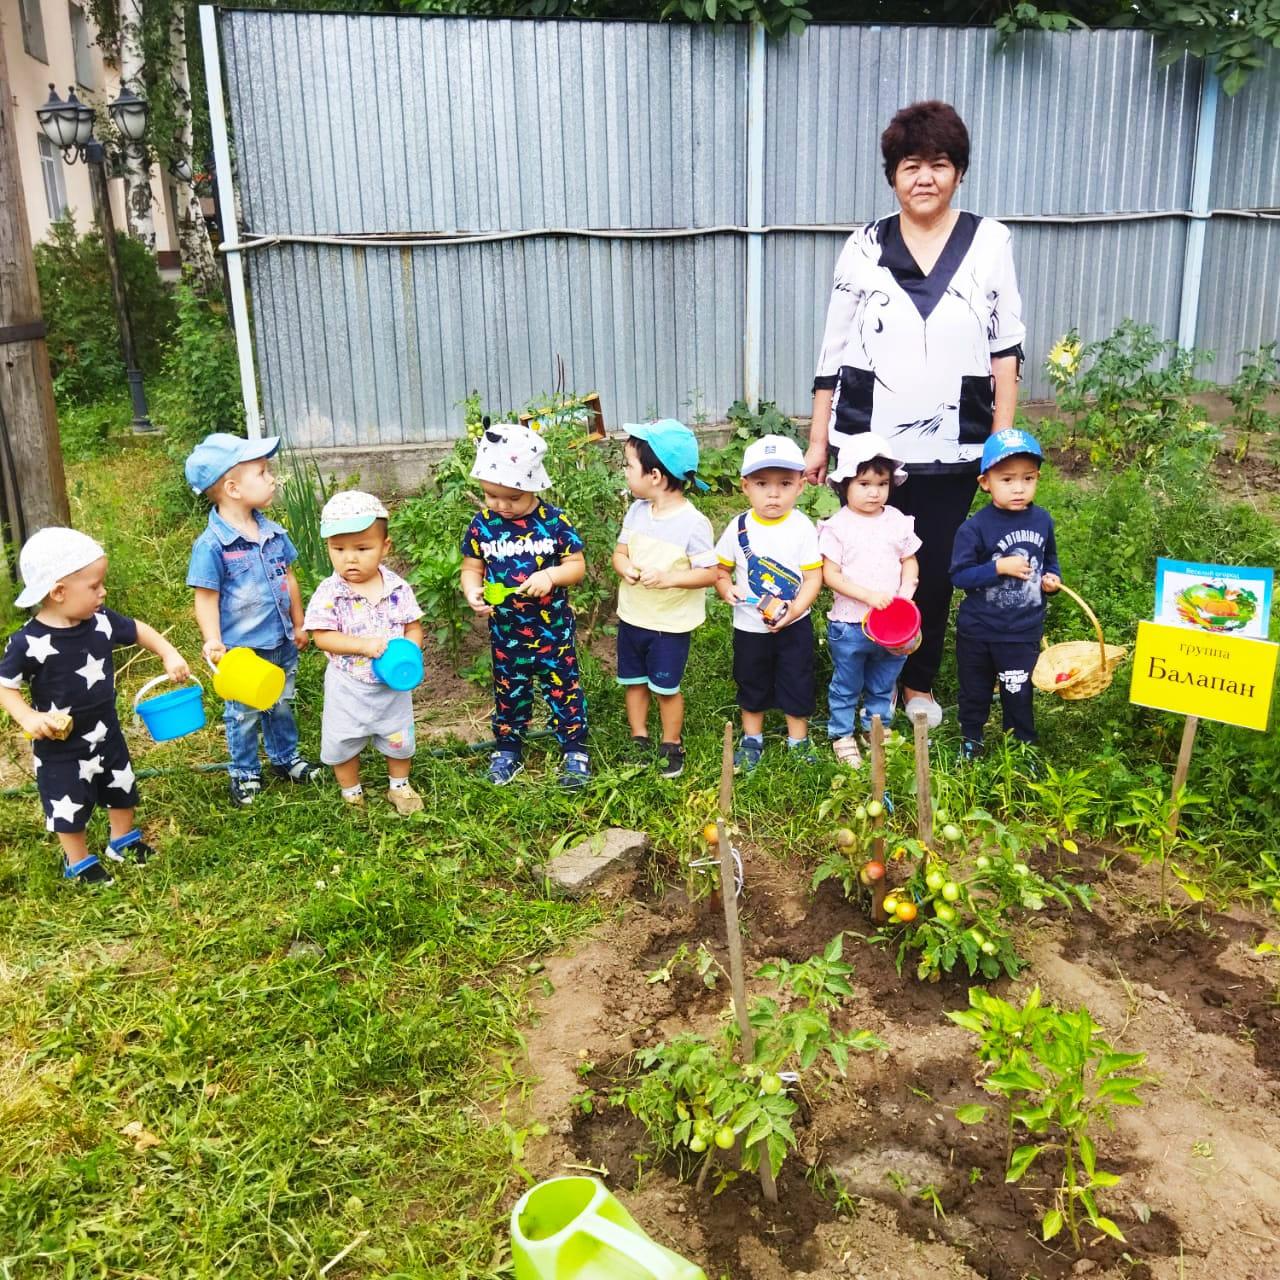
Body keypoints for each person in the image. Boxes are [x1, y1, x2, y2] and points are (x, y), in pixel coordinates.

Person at [804, 100, 1025, 730]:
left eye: (939, 164)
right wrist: (818, 437)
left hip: (957, 438)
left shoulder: (990, 241)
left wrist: (1001, 443)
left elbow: (1006, 346)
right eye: (910, 165)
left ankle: (915, 682)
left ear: (959, 172)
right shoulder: (864, 244)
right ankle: (857, 671)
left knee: (931, 567)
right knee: (862, 554)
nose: (924, 177)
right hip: (868, 440)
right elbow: (833, 346)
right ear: (893, 175)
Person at [0, 528, 191, 885]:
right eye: (94, 586)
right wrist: (27, 715)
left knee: (121, 785)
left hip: (106, 731)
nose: (103, 592)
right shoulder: (28, 641)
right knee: (67, 802)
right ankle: (78, 860)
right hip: (60, 744)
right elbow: (5, 686)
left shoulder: (101, 621)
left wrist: (169, 653)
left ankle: (122, 840)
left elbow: (139, 630)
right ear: (58, 592)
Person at [186, 432, 320, 806]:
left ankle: (285, 758)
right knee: (243, 713)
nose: (271, 479)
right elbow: (206, 597)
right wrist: (213, 639)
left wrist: (299, 622)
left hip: (280, 640)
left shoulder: (273, 533)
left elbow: (288, 577)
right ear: (233, 488)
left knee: (280, 702)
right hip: (243, 652)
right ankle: (244, 772)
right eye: (261, 473)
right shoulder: (212, 545)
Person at [460, 423, 590, 789]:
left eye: (512, 498)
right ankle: (507, 748)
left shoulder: (554, 522)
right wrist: (472, 590)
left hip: (553, 632)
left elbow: (576, 566)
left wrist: (551, 576)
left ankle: (574, 748)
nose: (501, 505)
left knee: (563, 688)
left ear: (533, 486)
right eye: (491, 495)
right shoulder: (483, 525)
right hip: (507, 633)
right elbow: (471, 567)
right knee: (509, 691)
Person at [304, 491, 425, 814]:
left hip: (391, 688)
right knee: (343, 740)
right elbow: (322, 637)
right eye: (338, 549)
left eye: (362, 549)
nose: (350, 559)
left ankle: (399, 786)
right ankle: (351, 791)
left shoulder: (397, 588)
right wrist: (362, 646)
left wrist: (411, 651)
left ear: (385, 547)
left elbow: (413, 627)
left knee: (399, 738)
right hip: (348, 685)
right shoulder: (330, 592)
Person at [612, 419, 718, 779]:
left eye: (629, 465)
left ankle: (671, 742)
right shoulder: (637, 512)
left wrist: (669, 577)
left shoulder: (693, 523)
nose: (625, 472)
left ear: (655, 476)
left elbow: (710, 573)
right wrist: (625, 567)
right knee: (634, 681)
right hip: (633, 616)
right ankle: (638, 736)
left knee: (665, 687)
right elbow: (619, 553)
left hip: (669, 626)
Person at [714, 434, 823, 772]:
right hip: (750, 625)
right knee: (751, 677)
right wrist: (725, 588)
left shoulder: (802, 527)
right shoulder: (738, 527)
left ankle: (798, 740)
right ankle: (752, 738)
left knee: (798, 677)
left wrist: (795, 611)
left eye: (785, 484)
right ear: (745, 486)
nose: (773, 494)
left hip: (795, 624)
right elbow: (721, 571)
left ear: (800, 486)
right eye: (762, 484)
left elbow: (813, 578)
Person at [950, 428, 1060, 758]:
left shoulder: (1042, 520)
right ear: (986, 482)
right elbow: (959, 575)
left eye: (1028, 478)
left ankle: (1023, 747)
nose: (1018, 488)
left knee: (1018, 691)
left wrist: (1052, 579)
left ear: (1038, 478)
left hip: (1022, 630)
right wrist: (998, 567)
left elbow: (1050, 558)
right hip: (979, 631)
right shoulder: (974, 528)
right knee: (975, 691)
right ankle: (971, 740)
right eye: (1007, 479)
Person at [819, 434, 921, 768]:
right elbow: (831, 574)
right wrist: (867, 596)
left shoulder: (897, 521)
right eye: (864, 484)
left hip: (892, 625)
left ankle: (875, 727)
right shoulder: (838, 527)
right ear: (845, 484)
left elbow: (909, 560)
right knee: (847, 682)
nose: (874, 492)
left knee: (883, 680)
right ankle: (842, 733)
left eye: (882, 484)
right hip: (851, 623)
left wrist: (905, 593)